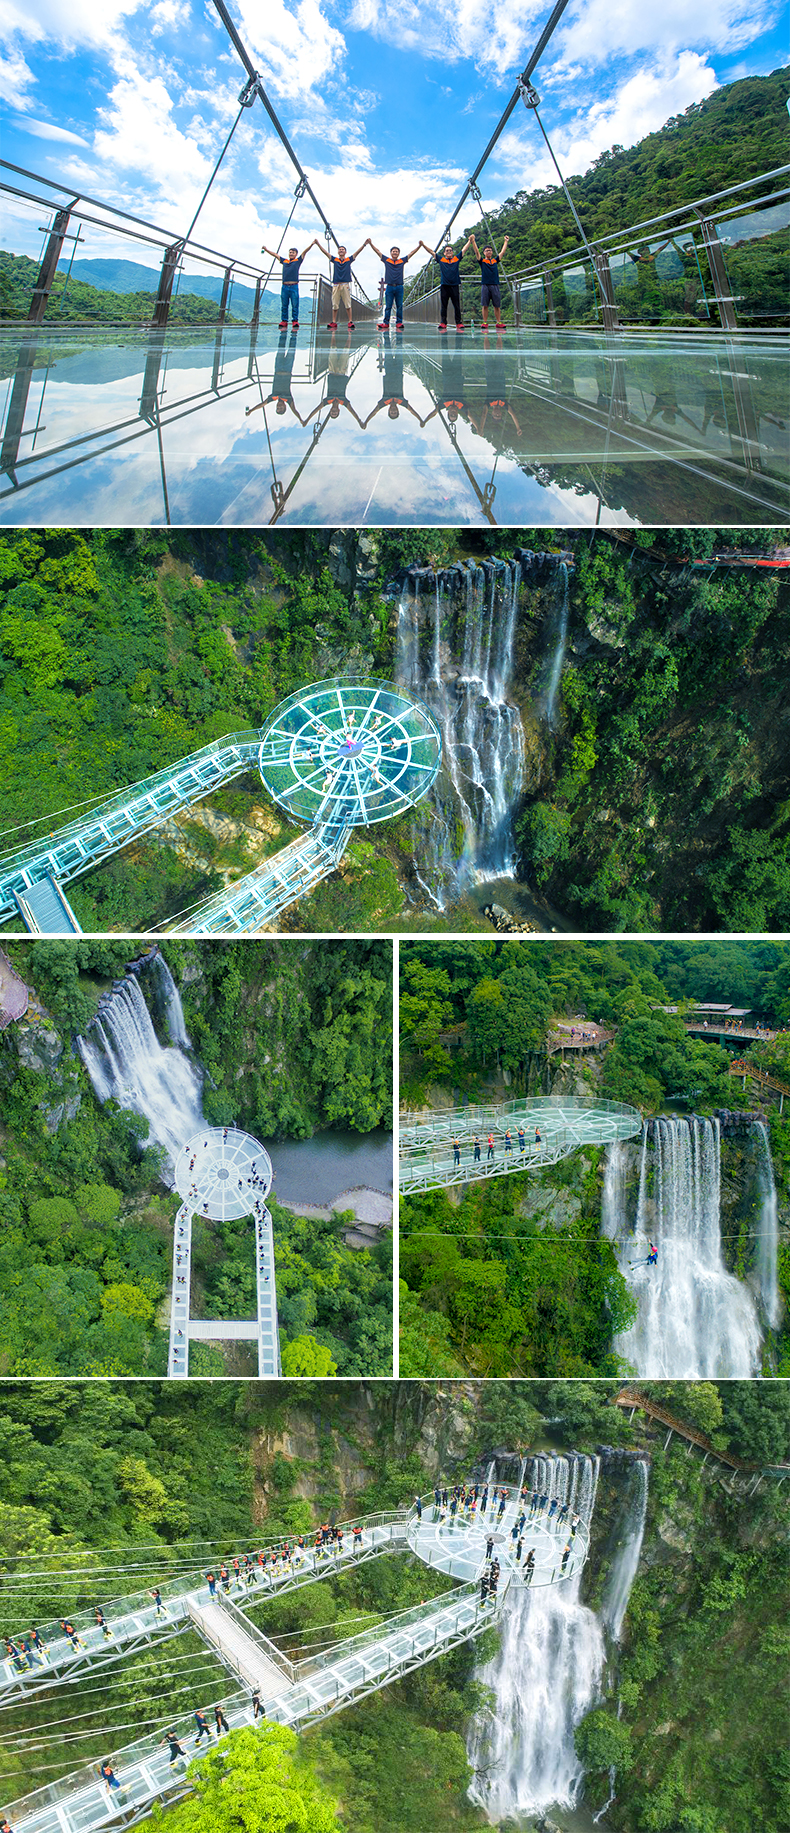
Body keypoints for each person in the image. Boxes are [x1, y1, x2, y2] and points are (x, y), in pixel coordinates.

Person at [261, 237, 321, 329]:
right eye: (290, 252)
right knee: (284, 304)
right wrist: (266, 249)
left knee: (295, 304)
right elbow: (275, 255)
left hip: (294, 286)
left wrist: (312, 244)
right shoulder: (284, 261)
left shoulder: (298, 261)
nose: (291, 254)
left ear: (296, 254)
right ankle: (284, 320)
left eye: (293, 252)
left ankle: (295, 321)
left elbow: (305, 252)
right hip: (284, 286)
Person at [420, 237, 473, 330]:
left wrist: (470, 241)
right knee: (444, 305)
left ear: (452, 252)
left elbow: (464, 249)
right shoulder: (441, 260)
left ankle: (458, 323)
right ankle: (443, 322)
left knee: (457, 305)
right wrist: (423, 245)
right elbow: (431, 252)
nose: (449, 252)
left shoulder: (456, 259)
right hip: (444, 286)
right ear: (444, 253)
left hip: (455, 285)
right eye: (447, 250)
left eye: (450, 250)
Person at [369, 239, 421, 331]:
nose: (395, 253)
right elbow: (378, 251)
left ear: (399, 253)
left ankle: (399, 322)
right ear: (391, 253)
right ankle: (386, 323)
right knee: (388, 306)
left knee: (399, 305)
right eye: (393, 251)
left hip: (399, 286)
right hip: (389, 286)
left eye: (397, 251)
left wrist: (419, 246)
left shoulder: (402, 261)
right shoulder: (387, 260)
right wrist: (370, 244)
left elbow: (411, 253)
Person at [318, 239, 368, 330]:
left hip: (345, 284)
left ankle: (350, 321)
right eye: (339, 249)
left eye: (342, 249)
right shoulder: (335, 259)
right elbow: (325, 252)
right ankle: (333, 322)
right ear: (338, 252)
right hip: (336, 285)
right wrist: (318, 244)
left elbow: (357, 252)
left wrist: (364, 244)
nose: (341, 250)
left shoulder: (348, 259)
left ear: (345, 252)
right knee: (335, 304)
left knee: (348, 304)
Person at [468, 233, 510, 331]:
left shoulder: (495, 261)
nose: (489, 252)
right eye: (487, 251)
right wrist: (473, 241)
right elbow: (476, 252)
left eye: (490, 250)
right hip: (485, 285)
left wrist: (506, 241)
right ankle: (485, 322)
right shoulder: (482, 261)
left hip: (495, 284)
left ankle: (498, 322)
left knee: (497, 305)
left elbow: (502, 252)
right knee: (485, 304)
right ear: (484, 253)